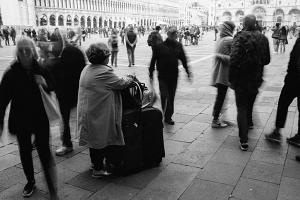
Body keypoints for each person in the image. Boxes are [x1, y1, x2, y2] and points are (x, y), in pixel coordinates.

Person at [0, 37, 58, 199]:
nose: (25, 52)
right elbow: (3, 99)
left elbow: (53, 85)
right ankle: (30, 181)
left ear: (33, 50)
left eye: (28, 49)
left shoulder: (41, 68)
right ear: (17, 52)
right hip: (20, 120)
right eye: (21, 49)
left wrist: (45, 83)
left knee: (45, 152)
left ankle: (51, 186)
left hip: (40, 118)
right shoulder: (11, 72)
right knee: (25, 152)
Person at [77, 43, 134, 178]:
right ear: (103, 57)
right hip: (98, 112)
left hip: (89, 110)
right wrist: (130, 78)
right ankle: (98, 169)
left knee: (94, 139)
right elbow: (121, 83)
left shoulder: (87, 68)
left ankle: (94, 164)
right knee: (99, 140)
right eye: (107, 56)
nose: (108, 58)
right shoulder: (103, 72)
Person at [229, 15, 270, 151]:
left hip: (241, 79)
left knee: (241, 107)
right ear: (256, 23)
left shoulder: (239, 37)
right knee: (250, 103)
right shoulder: (263, 38)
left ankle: (244, 140)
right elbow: (267, 60)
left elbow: (233, 59)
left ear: (244, 23)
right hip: (256, 78)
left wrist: (231, 79)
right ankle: (249, 122)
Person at [149, 27, 192, 125]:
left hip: (173, 76)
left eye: (175, 33)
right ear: (168, 34)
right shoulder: (159, 46)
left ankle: (168, 117)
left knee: (171, 97)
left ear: (176, 35)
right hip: (162, 76)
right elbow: (153, 60)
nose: (174, 35)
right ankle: (164, 114)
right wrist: (151, 72)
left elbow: (184, 59)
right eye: (172, 33)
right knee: (164, 95)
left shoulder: (178, 46)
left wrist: (188, 72)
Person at [265, 34, 300, 149]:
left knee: (283, 104)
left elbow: (296, 62)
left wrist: (290, 75)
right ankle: (299, 137)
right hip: (294, 79)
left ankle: (276, 132)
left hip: (294, 80)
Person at [53, 36, 86, 156]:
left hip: (64, 96)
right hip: (78, 93)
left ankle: (67, 144)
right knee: (84, 117)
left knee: (64, 121)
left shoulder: (58, 64)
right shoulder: (80, 63)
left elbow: (51, 84)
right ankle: (89, 141)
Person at [211, 21, 235, 128]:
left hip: (219, 73)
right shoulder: (229, 40)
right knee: (221, 97)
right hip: (225, 74)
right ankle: (215, 120)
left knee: (222, 96)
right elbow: (234, 59)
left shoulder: (220, 39)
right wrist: (220, 56)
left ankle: (221, 118)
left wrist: (219, 56)